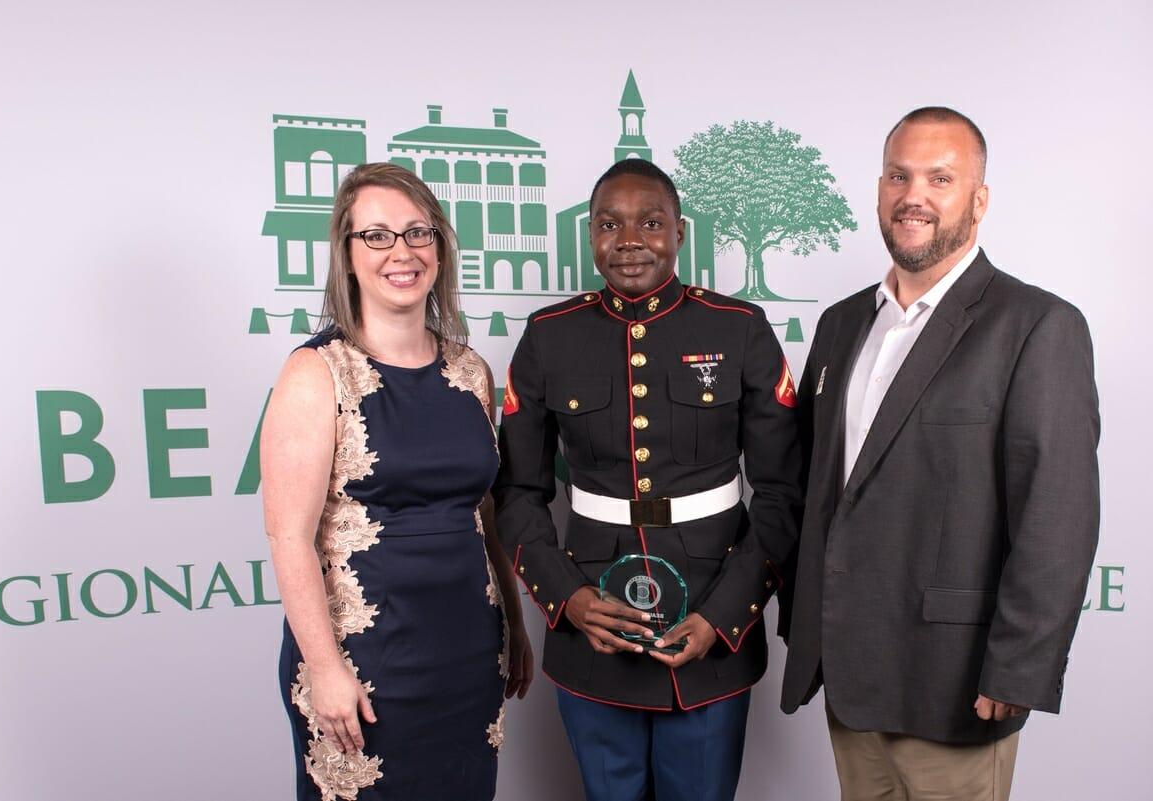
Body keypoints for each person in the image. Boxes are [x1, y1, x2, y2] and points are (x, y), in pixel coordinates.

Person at [778, 107, 1100, 801]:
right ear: (879, 190)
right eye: (898, 176)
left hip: (954, 682)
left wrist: (1018, 668)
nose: (913, 195)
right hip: (847, 672)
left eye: (939, 178)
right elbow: (818, 493)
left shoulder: (1038, 326)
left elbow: (1058, 517)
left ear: (979, 200)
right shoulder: (840, 324)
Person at [493, 158, 803, 801]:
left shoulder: (738, 328)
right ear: (590, 235)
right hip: (593, 625)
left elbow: (781, 493)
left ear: (680, 233)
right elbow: (518, 493)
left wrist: (724, 615)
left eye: (651, 223)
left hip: (710, 619)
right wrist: (567, 599)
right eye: (610, 224)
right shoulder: (550, 336)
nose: (629, 240)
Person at [261, 163, 533, 801]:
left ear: (439, 246)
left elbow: (484, 514)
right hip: (362, 659)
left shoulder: (471, 370)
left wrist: (516, 624)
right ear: (347, 253)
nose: (402, 252)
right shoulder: (315, 372)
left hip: (468, 650)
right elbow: (288, 536)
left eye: (418, 232)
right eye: (377, 236)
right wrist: (324, 668)